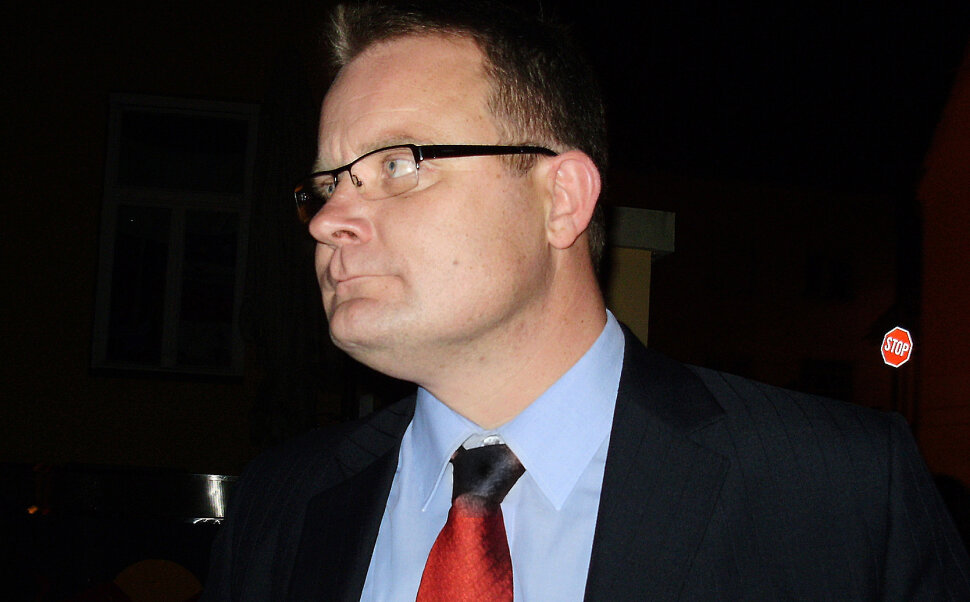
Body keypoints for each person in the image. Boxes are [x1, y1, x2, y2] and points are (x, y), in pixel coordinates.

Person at [203, 1, 970, 599]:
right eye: (327, 184)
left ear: (562, 199)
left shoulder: (833, 493)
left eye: (399, 163)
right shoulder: (281, 505)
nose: (329, 218)